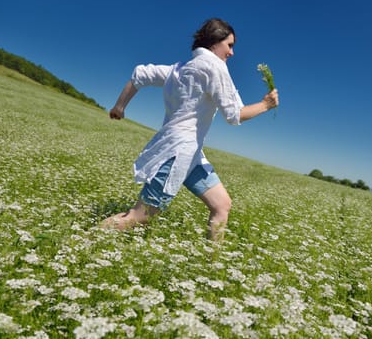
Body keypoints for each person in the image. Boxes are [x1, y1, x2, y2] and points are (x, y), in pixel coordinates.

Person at [101, 18, 279, 241]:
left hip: (191, 154)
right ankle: (79, 240)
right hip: (178, 152)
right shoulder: (215, 66)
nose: (232, 53)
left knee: (222, 204)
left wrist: (120, 106)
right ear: (215, 42)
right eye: (230, 45)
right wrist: (266, 105)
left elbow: (140, 75)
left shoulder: (180, 69)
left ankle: (212, 266)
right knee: (139, 217)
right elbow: (234, 115)